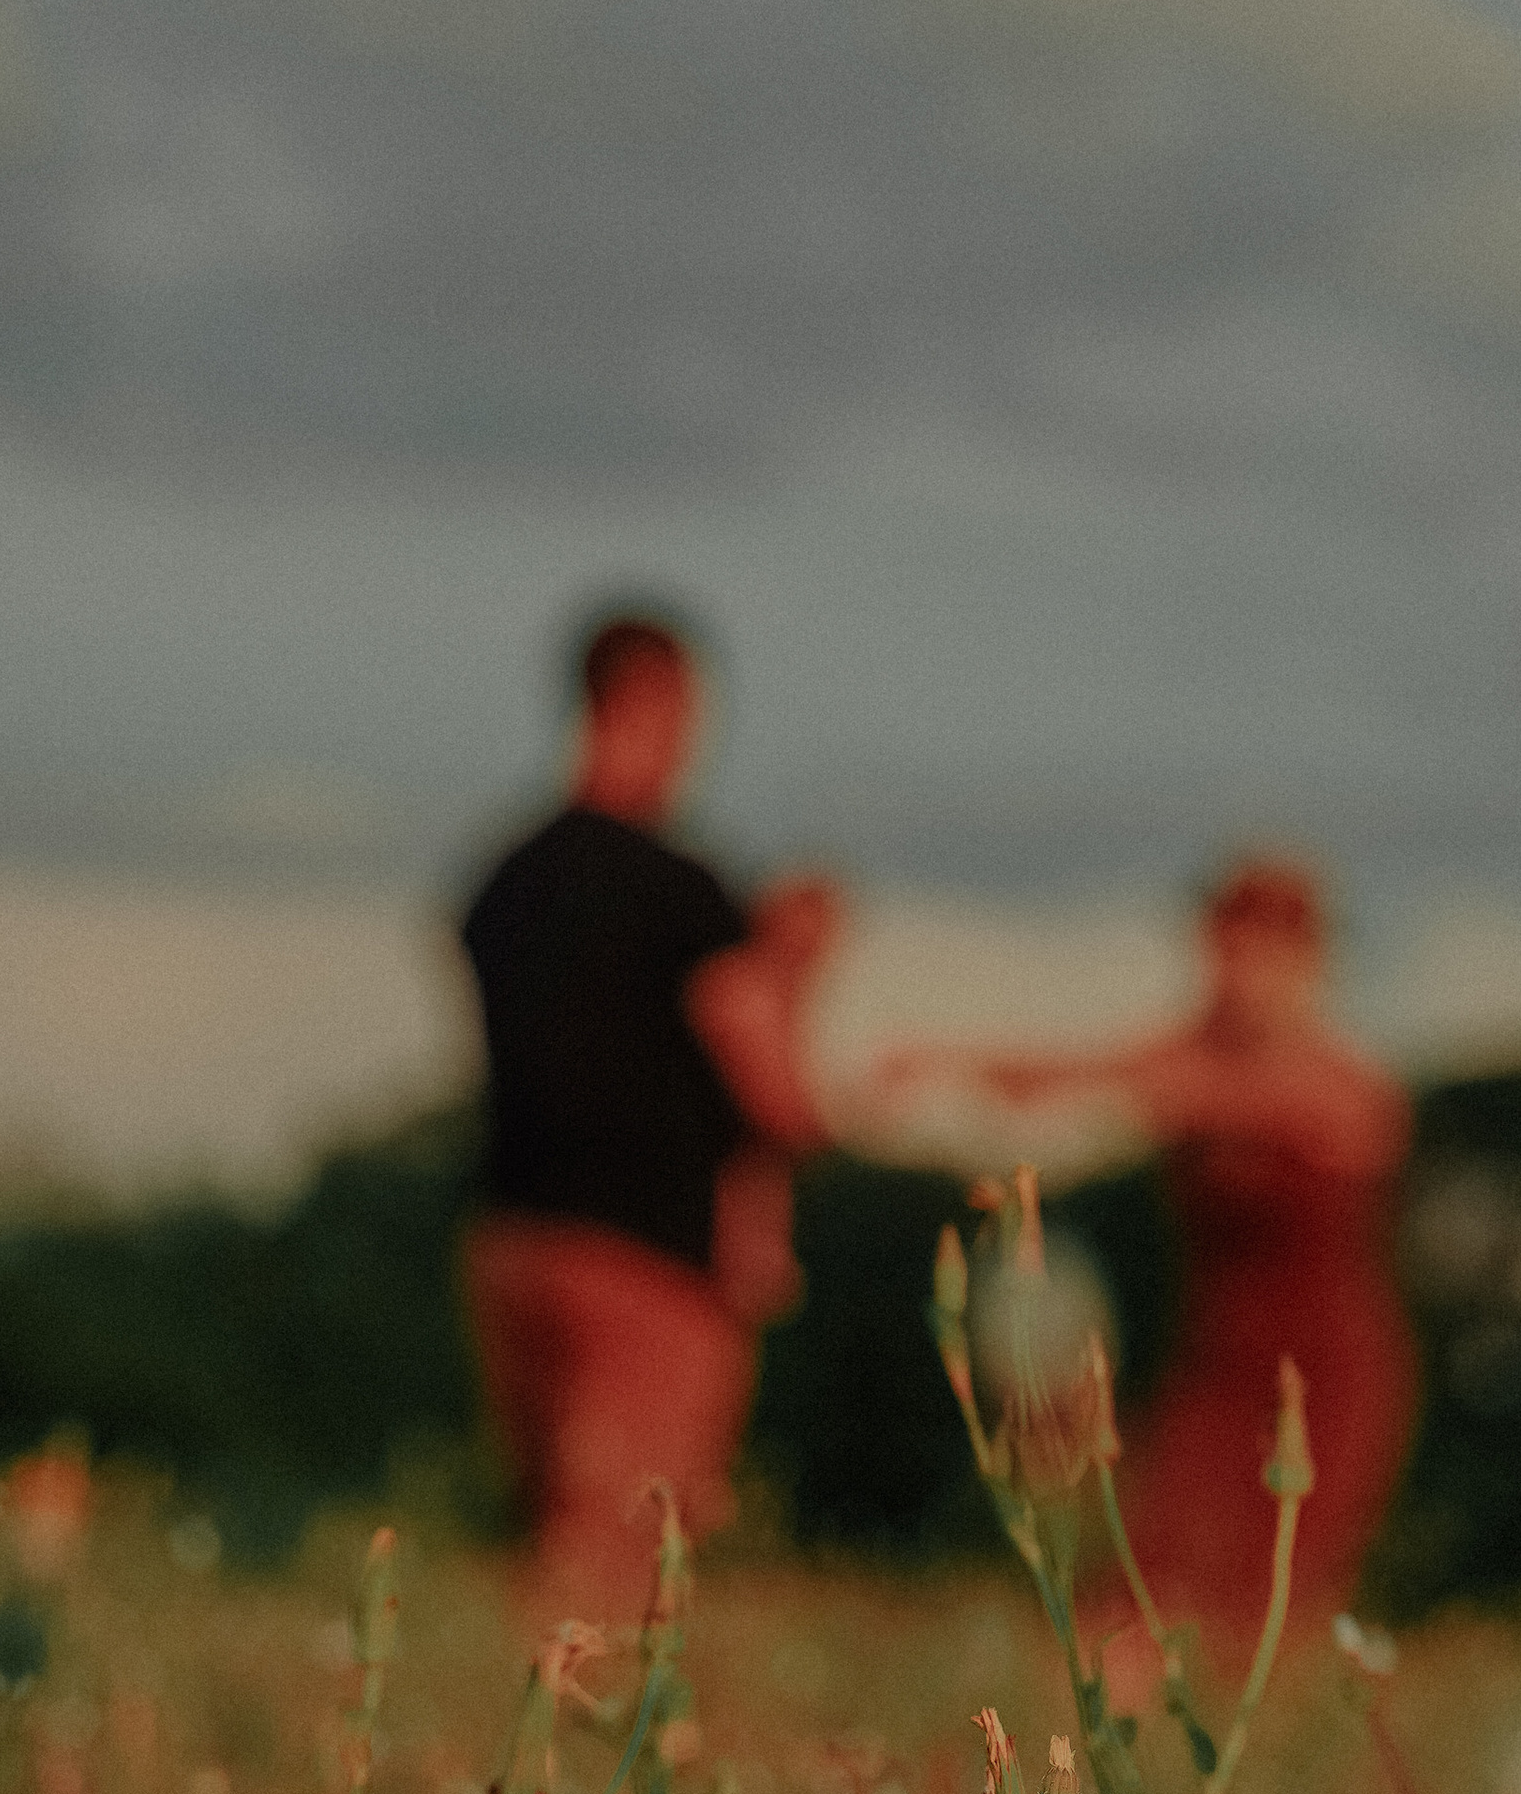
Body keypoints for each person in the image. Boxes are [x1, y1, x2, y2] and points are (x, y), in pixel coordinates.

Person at [884, 853, 1413, 1650]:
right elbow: (1088, 1069)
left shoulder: (1345, 1085)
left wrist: (1143, 1089)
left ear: (1311, 964)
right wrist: (950, 1061)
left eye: (1263, 956)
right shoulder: (1185, 1056)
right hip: (1218, 1365)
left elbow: (1256, 1105)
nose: (1240, 977)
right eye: (1226, 951)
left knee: (1270, 1609)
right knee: (1147, 1582)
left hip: (1328, 1375)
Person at [458, 609, 841, 1605]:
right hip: (647, 1263)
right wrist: (799, 984)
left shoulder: (503, 881)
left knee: (551, 1528)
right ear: (657, 703)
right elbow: (770, 1091)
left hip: (513, 1243)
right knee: (625, 1560)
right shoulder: (682, 892)